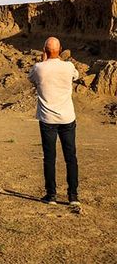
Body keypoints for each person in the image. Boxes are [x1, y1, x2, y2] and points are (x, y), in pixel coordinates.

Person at [29, 37, 80, 206]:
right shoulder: (69, 66)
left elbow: (32, 79)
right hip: (67, 118)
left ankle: (51, 195)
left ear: (44, 50)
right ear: (60, 49)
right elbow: (76, 76)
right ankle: (73, 196)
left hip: (47, 119)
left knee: (49, 158)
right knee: (70, 157)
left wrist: (44, 61)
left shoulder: (38, 68)